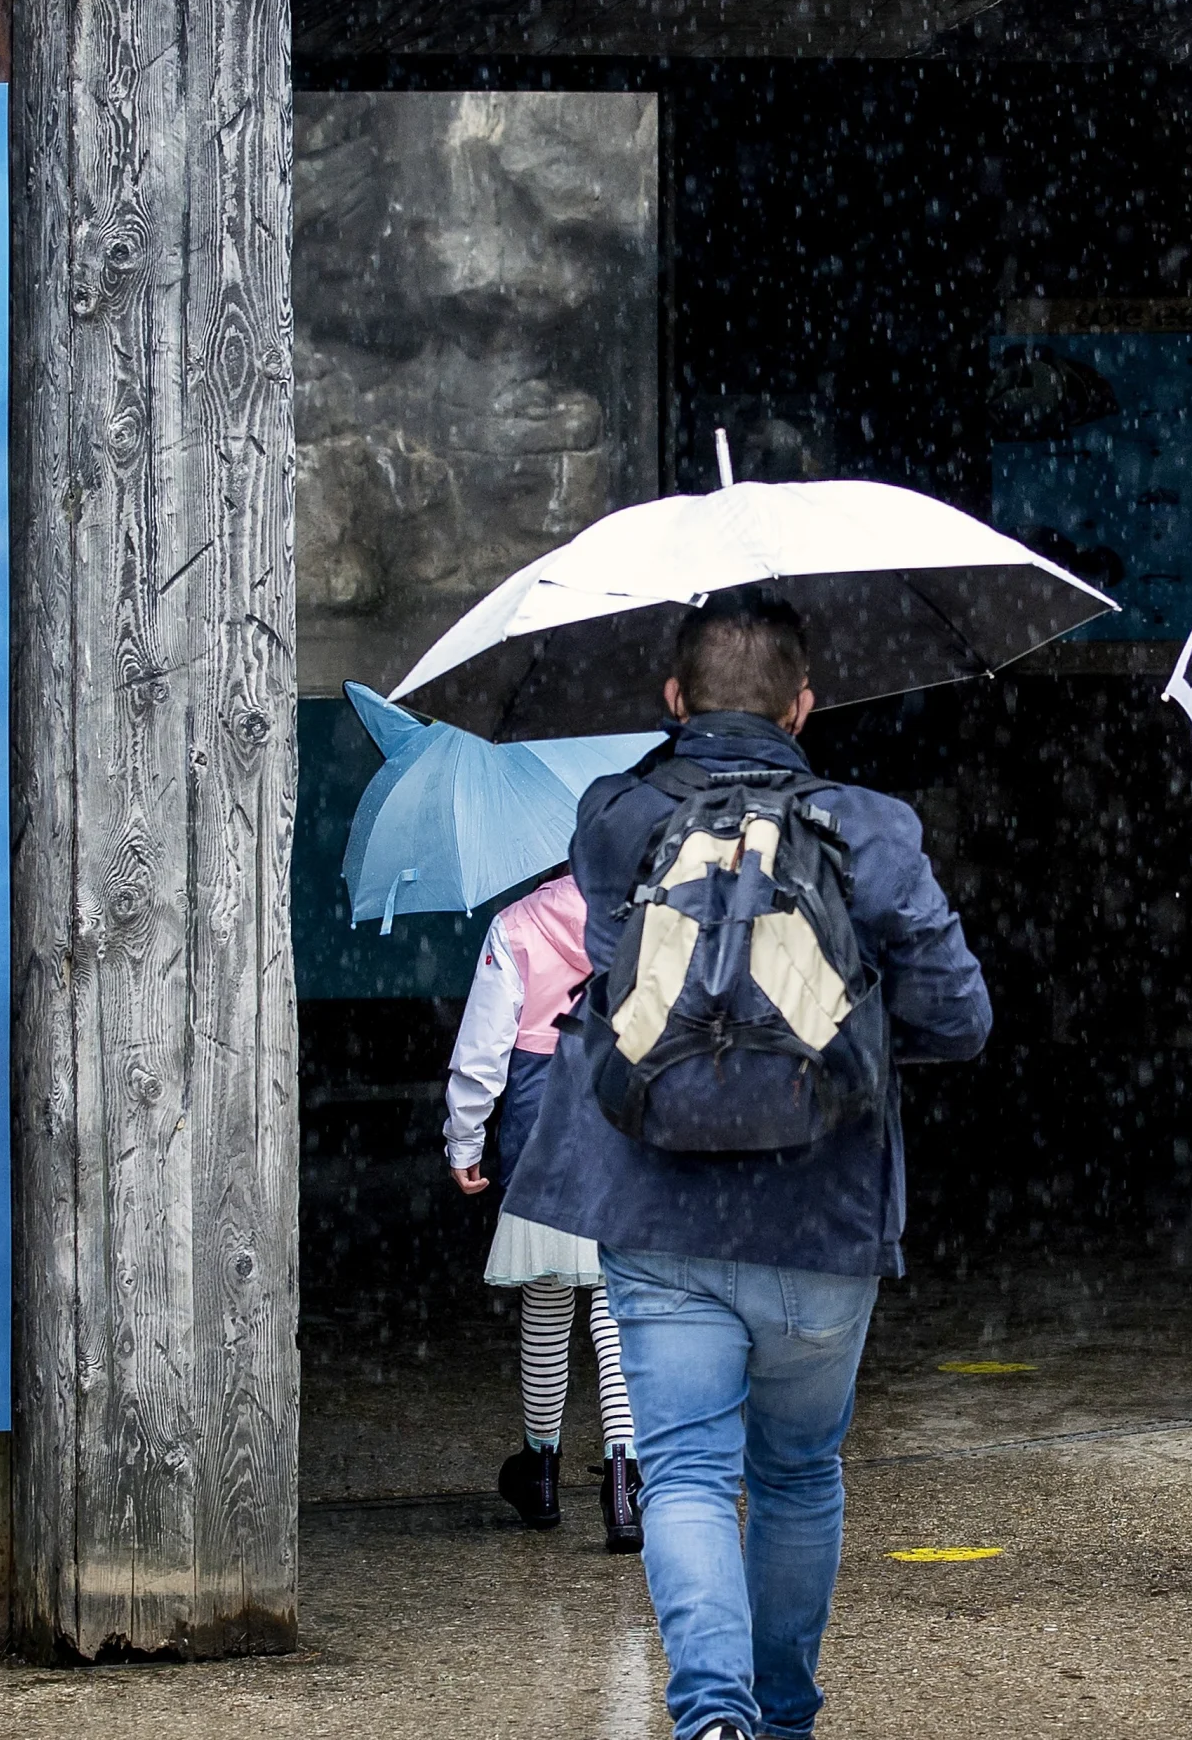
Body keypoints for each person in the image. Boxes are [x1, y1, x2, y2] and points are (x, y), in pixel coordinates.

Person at [506, 588, 993, 1740]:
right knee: (796, 1476)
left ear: (673, 701)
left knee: (681, 1475)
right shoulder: (869, 828)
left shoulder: (615, 817)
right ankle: (782, 1718)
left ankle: (710, 1716)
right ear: (806, 706)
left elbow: (632, 984)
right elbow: (961, 1018)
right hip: (821, 1215)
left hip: (659, 1208)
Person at [443, 866, 643, 1550]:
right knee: (619, 1307)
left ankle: (542, 1473)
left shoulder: (515, 925)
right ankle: (625, 1486)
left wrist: (463, 1137)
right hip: (626, 1133)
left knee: (550, 1298)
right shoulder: (651, 915)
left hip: (543, 1138)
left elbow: (481, 1055)